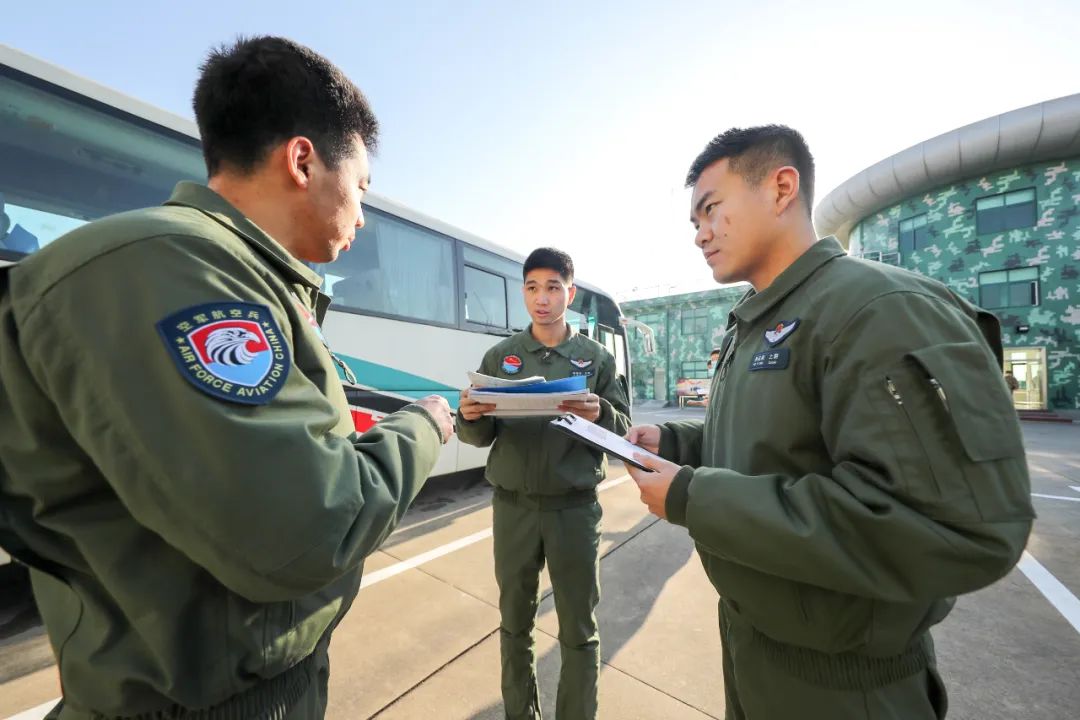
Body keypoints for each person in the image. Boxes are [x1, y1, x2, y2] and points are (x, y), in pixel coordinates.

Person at [0, 36, 454, 720]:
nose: (362, 215)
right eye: (361, 188)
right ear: (302, 160)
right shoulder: (181, 270)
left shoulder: (221, 273)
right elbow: (311, 527)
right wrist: (423, 427)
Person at [624, 125, 1033, 720]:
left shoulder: (877, 309)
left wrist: (694, 497)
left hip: (844, 688)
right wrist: (675, 441)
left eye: (710, 209)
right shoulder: (759, 324)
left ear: (781, 187)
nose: (700, 234)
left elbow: (948, 526)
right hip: (752, 652)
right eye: (693, 221)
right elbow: (771, 442)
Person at [457, 247, 631, 720]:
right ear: (524, 293)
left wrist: (601, 413)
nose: (542, 298)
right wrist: (468, 416)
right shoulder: (502, 356)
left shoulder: (595, 359)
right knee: (514, 624)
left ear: (569, 294)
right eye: (533, 287)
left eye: (553, 287)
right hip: (512, 508)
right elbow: (479, 436)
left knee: (578, 630)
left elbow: (623, 433)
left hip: (573, 510)